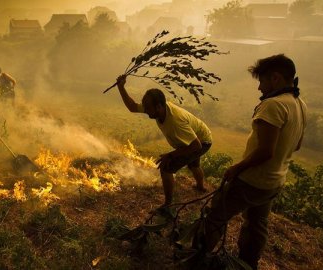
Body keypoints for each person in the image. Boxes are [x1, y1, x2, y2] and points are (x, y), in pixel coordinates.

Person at [199, 54, 307, 270]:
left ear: (275, 78)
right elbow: (296, 145)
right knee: (257, 224)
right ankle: (248, 263)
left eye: (261, 81)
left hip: (253, 180)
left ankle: (197, 258)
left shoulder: (273, 105)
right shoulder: (300, 104)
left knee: (216, 216)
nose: (259, 88)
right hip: (274, 181)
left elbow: (266, 151)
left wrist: (236, 168)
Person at [116, 75, 213, 207]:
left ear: (159, 106)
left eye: (149, 108)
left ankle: (167, 205)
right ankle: (200, 187)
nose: (147, 112)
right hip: (195, 137)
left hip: (201, 142)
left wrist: (171, 155)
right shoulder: (157, 108)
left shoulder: (175, 121)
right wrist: (121, 87)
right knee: (193, 165)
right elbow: (132, 107)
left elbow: (196, 146)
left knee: (166, 168)